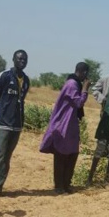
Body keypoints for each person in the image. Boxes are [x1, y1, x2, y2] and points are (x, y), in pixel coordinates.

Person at [39, 63, 91, 193]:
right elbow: (79, 103)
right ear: (82, 72)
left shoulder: (73, 83)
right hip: (63, 124)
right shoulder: (72, 84)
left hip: (70, 124)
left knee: (72, 153)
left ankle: (66, 184)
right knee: (61, 154)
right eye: (86, 73)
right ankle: (59, 186)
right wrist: (85, 89)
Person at [0, 50, 30, 195]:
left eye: (25, 60)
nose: (22, 61)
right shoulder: (5, 76)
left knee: (7, 157)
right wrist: (2, 111)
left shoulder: (26, 80)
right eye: (19, 59)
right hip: (4, 123)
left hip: (17, 124)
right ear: (13, 60)